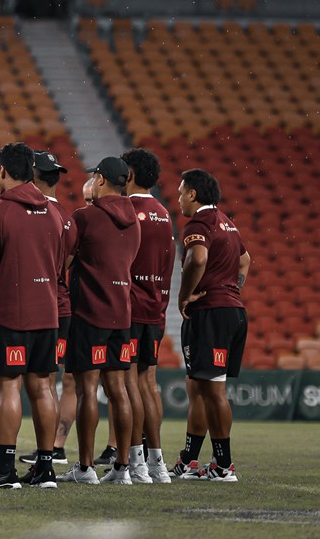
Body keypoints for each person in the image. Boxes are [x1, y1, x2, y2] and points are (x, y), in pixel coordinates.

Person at [0, 142, 64, 489]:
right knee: (43, 387)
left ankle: (4, 468)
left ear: (3, 171)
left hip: (11, 315)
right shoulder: (54, 214)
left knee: (7, 386)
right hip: (47, 314)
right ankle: (45, 467)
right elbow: (58, 265)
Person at [59, 157, 141, 486]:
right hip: (122, 313)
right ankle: (123, 468)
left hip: (89, 313)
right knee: (119, 390)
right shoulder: (134, 221)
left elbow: (63, 261)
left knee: (88, 390)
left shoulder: (85, 216)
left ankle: (85, 467)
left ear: (101, 179)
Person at [171, 169, 248, 483]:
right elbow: (245, 261)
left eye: (180, 192)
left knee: (213, 391)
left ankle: (223, 465)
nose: (178, 198)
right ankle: (191, 459)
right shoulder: (227, 223)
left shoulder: (199, 224)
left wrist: (184, 296)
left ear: (192, 194)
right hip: (231, 311)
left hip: (211, 313)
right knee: (200, 387)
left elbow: (198, 259)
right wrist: (231, 289)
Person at [23, 151, 81, 470]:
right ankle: (53, 448)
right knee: (53, 379)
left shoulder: (32, 212)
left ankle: (48, 450)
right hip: (61, 304)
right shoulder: (67, 218)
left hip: (40, 305)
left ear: (33, 176)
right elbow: (65, 265)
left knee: (42, 380)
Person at [121, 148, 173, 484]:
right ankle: (158, 463)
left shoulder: (127, 210)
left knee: (129, 383)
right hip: (155, 307)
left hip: (129, 308)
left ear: (129, 175)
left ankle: (136, 463)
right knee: (148, 383)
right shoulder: (164, 214)